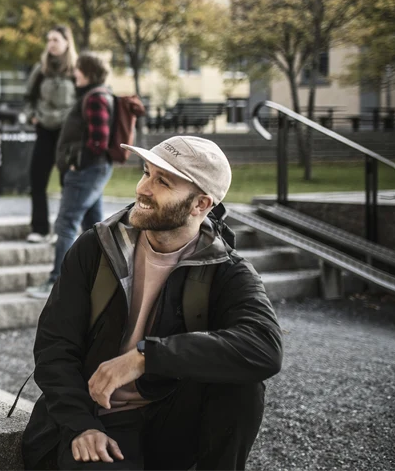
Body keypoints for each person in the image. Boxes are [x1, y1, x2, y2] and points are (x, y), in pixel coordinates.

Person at [21, 135, 283, 471]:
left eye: (162, 181)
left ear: (200, 205)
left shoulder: (225, 270)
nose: (143, 188)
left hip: (173, 419)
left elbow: (265, 347)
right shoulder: (97, 247)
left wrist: (146, 357)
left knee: (243, 386)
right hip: (99, 418)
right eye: (146, 173)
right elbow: (54, 346)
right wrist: (80, 425)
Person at [29, 53, 116, 298]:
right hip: (92, 171)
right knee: (93, 227)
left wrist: (77, 165)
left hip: (86, 171)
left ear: (87, 71)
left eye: (77, 69)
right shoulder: (96, 94)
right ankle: (103, 279)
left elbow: (98, 140)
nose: (73, 73)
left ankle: (57, 282)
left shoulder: (95, 97)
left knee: (65, 224)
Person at [24, 26, 78, 244]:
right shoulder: (41, 70)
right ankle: (39, 228)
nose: (51, 44)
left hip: (67, 133)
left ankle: (64, 230)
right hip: (44, 129)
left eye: (55, 39)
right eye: (48, 40)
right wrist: (32, 117)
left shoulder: (76, 69)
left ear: (67, 41)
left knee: (68, 181)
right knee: (37, 179)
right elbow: (28, 98)